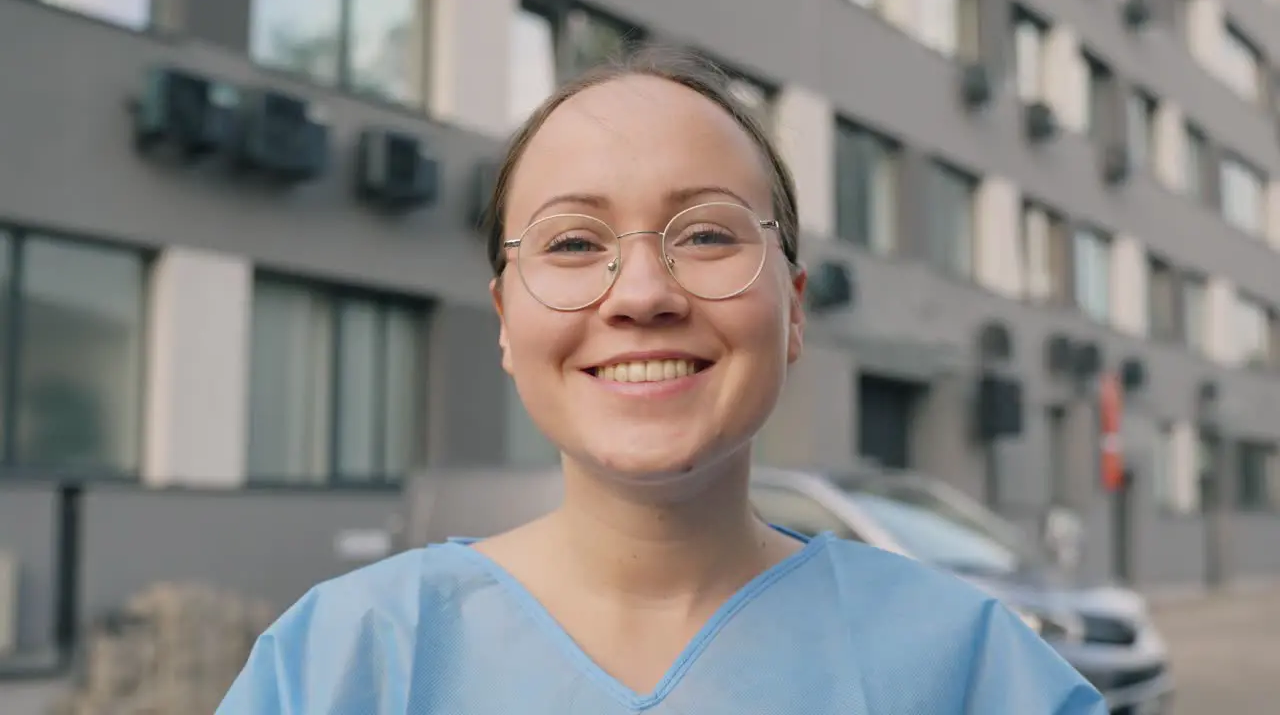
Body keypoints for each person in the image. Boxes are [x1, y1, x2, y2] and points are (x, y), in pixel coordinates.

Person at [216, 46, 1108, 714]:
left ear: (793, 310)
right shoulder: (347, 661)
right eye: (573, 243)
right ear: (503, 318)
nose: (641, 294)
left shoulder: (966, 670)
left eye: (708, 234)